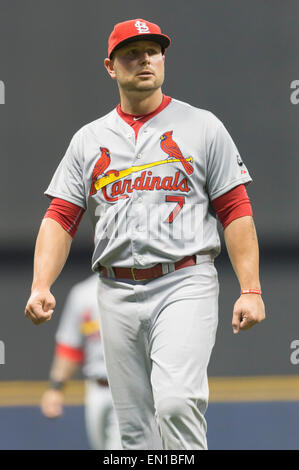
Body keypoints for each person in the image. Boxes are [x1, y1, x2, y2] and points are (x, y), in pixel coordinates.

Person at [25, 18, 266, 450]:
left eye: (152, 51)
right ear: (110, 66)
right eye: (131, 53)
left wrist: (251, 289)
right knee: (134, 433)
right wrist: (41, 283)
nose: (144, 60)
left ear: (163, 59)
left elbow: (235, 210)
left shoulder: (202, 126)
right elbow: (61, 215)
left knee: (175, 404)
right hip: (114, 290)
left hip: (184, 280)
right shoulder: (89, 139)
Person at [40, 274, 121, 450]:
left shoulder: (139, 288)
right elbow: (70, 347)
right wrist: (55, 389)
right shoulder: (83, 293)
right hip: (96, 387)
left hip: (129, 385)